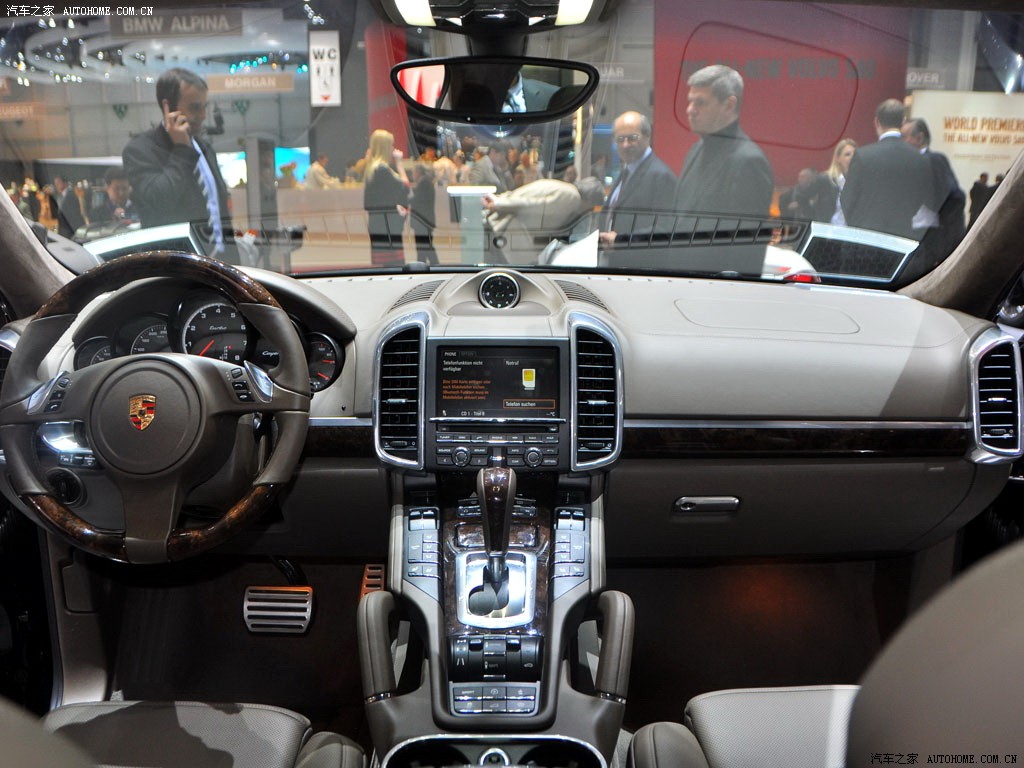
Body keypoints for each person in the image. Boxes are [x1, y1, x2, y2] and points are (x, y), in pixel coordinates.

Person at [122, 67, 229, 254]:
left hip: (221, 260)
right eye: (195, 107)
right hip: (178, 264)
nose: (203, 115)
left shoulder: (204, 147)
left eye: (204, 107)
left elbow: (220, 213)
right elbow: (160, 202)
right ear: (168, 107)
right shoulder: (140, 150)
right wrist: (181, 150)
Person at [673, 65, 773, 219]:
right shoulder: (695, 150)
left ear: (729, 105)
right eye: (690, 101)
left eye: (700, 102)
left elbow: (748, 232)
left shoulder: (749, 161)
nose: (690, 110)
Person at [840, 98, 932, 240]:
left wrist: (858, 225)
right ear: (903, 121)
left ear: (877, 122)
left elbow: (848, 198)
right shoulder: (919, 158)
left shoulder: (862, 155)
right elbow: (920, 198)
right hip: (901, 236)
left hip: (865, 237)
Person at [599, 111, 677, 247]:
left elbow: (666, 228)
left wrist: (621, 241)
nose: (625, 144)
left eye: (632, 138)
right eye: (620, 139)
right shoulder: (627, 171)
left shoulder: (661, 176)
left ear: (647, 136)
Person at [484, 176, 606, 263]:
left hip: (503, 228)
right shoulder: (573, 198)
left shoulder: (564, 188)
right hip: (508, 231)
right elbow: (534, 205)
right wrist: (499, 203)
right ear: (590, 200)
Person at [900, 117, 965, 276]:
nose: (901, 142)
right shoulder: (908, 163)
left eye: (904, 137)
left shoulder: (934, 160)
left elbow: (954, 196)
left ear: (919, 138)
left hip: (930, 241)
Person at [362, 128, 410, 268]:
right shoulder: (382, 170)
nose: (393, 148)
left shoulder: (372, 169)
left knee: (383, 266)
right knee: (394, 266)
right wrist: (399, 164)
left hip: (379, 225)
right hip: (388, 226)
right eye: (391, 144)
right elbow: (405, 187)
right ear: (385, 147)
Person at [810, 138, 856, 224]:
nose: (852, 157)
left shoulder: (861, 181)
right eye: (847, 154)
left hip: (853, 230)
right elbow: (807, 199)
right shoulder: (825, 179)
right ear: (838, 158)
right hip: (829, 229)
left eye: (855, 154)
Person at [410, 162, 438, 265]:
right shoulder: (426, 182)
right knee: (426, 246)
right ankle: (429, 264)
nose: (412, 175)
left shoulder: (423, 183)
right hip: (425, 220)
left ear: (418, 172)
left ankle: (426, 264)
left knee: (423, 246)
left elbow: (418, 200)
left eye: (413, 172)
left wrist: (406, 200)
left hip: (422, 220)